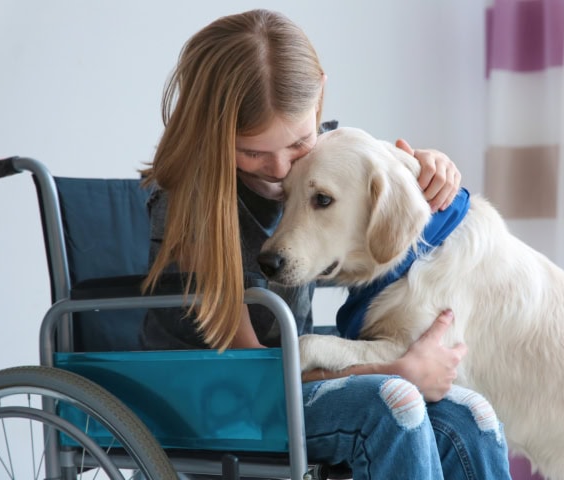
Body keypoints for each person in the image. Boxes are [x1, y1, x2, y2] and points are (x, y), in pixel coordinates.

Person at [139, 9, 512, 479]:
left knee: (469, 416)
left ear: (318, 101)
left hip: (289, 383)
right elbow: (253, 372)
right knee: (392, 402)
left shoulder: (316, 167)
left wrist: (426, 167)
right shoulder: (195, 208)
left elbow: (372, 198)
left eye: (297, 143)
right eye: (252, 151)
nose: (278, 170)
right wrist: (400, 369)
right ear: (210, 130)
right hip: (218, 399)